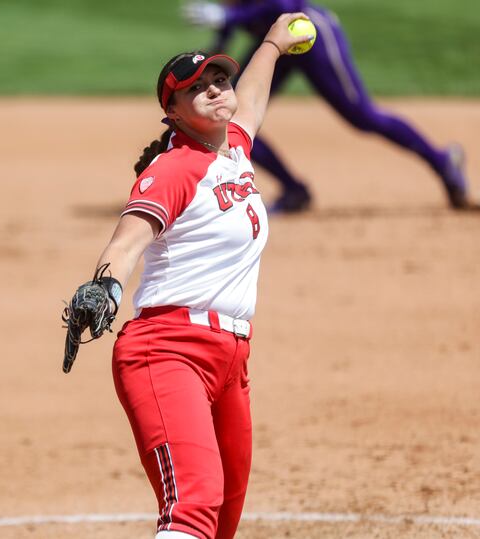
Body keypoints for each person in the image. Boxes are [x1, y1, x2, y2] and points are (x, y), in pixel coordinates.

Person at [60, 13, 314, 539]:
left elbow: (254, 96)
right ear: (172, 111)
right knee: (192, 508)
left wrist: (271, 42)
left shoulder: (235, 148)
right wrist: (106, 284)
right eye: (197, 88)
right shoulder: (174, 168)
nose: (216, 90)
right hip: (168, 351)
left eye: (219, 80)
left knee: (222, 521)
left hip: (229, 361)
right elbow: (128, 240)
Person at [182, 0, 472, 212]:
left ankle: (443, 160)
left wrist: (228, 16)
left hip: (310, 33)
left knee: (361, 115)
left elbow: (285, 3)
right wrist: (214, 48)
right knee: (232, 119)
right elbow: (227, 23)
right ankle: (294, 191)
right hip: (271, 43)